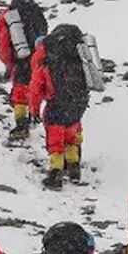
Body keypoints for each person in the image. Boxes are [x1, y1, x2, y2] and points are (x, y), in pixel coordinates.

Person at [29, 24, 92, 189]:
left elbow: (36, 87)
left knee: (55, 136)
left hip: (57, 102)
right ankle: (74, 168)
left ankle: (56, 173)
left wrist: (34, 109)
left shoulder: (46, 59)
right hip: (79, 101)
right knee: (71, 134)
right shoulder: (75, 54)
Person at [0, 0, 49, 141]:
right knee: (35, 87)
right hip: (39, 56)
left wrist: (8, 62)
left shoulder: (10, 18)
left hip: (21, 59)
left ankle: (21, 125)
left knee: (19, 91)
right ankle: (34, 114)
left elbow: (4, 43)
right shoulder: (37, 14)